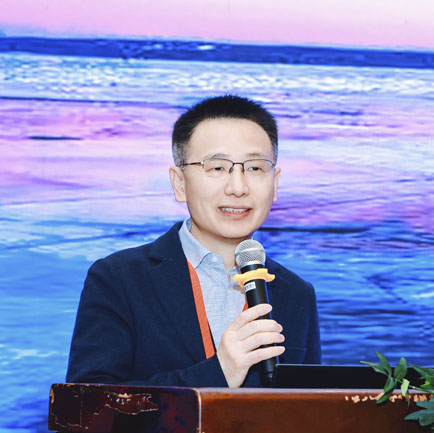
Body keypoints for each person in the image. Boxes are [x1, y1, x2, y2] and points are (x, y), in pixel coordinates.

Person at [66, 95, 321, 388]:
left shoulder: (297, 293)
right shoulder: (120, 279)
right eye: (217, 168)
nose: (238, 187)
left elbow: (309, 407)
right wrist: (220, 372)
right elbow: (87, 403)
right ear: (179, 183)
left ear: (274, 183)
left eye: (254, 168)